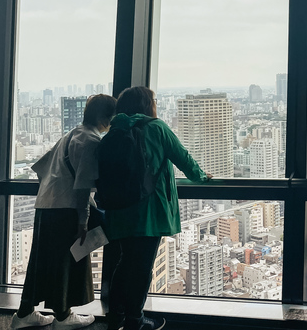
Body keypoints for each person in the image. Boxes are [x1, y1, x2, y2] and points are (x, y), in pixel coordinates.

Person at [102, 86, 212, 330]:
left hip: (119, 211)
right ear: (146, 105)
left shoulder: (114, 131)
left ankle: (115, 316)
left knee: (124, 262)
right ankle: (135, 319)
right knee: (141, 266)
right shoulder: (156, 128)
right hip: (148, 212)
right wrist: (203, 177)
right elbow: (184, 159)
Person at [12, 94, 117, 330]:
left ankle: (24, 312)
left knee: (40, 262)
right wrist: (83, 221)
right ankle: (62, 315)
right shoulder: (91, 141)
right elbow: (82, 186)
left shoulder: (71, 134)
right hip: (66, 209)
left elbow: (42, 168)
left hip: (46, 204)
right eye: (111, 116)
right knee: (64, 262)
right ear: (103, 117)